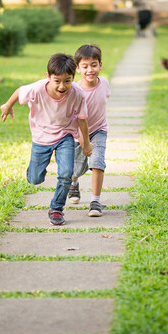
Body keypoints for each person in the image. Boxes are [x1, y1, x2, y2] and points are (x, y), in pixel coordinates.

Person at [0, 53, 93, 225]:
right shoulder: (37, 89)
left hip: (65, 134)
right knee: (35, 179)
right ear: (48, 77)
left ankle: (56, 209)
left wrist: (86, 143)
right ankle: (33, 171)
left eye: (67, 80)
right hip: (41, 136)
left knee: (66, 173)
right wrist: (7, 105)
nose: (62, 86)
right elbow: (20, 91)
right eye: (57, 80)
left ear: (73, 77)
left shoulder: (78, 94)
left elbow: (82, 120)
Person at [68, 44, 110, 217]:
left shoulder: (105, 83)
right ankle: (74, 183)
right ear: (78, 68)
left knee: (97, 162)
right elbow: (72, 118)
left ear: (101, 65)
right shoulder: (75, 90)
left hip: (99, 130)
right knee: (77, 168)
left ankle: (95, 201)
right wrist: (82, 139)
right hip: (78, 134)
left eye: (94, 65)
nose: (90, 70)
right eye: (85, 66)